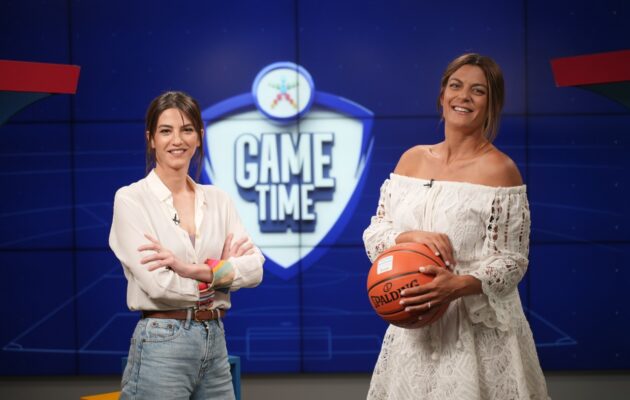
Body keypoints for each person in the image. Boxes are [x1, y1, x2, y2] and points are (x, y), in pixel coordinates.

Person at [363, 54, 549, 399]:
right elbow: (376, 232)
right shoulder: (411, 160)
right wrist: (408, 237)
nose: (464, 96)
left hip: (477, 335)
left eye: (478, 90)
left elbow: (512, 261)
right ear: (442, 95)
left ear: (491, 104)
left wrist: (457, 285)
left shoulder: (501, 170)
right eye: (456, 86)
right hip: (413, 334)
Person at [109, 91, 264, 399]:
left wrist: (191, 270)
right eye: (166, 131)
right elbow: (158, 286)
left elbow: (255, 268)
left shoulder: (218, 199)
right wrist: (221, 276)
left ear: (199, 137)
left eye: (187, 130)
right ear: (151, 139)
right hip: (162, 342)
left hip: (215, 339)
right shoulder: (131, 199)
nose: (177, 140)